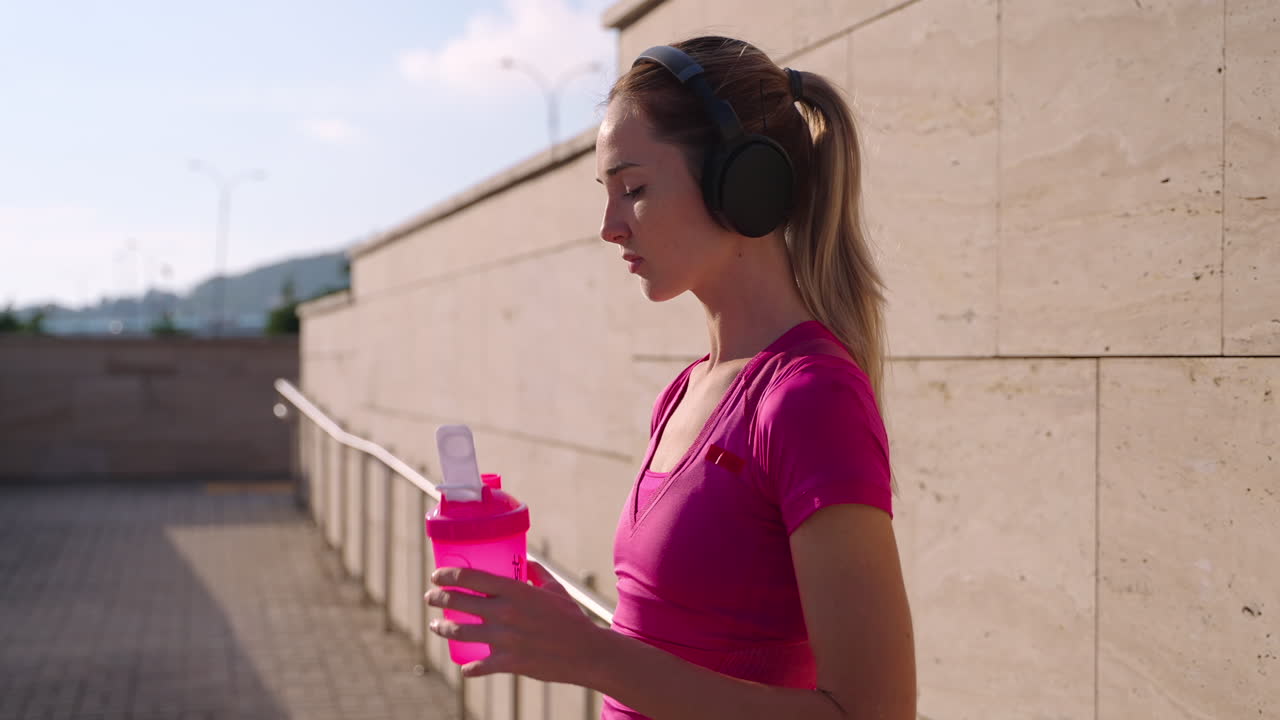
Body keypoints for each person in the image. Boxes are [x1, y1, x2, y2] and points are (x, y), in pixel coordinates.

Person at [426, 35, 916, 720]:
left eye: (634, 189)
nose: (609, 227)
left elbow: (872, 713)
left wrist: (593, 655)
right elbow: (678, 655)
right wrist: (573, 633)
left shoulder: (810, 398)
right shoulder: (685, 392)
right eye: (607, 193)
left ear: (744, 184)